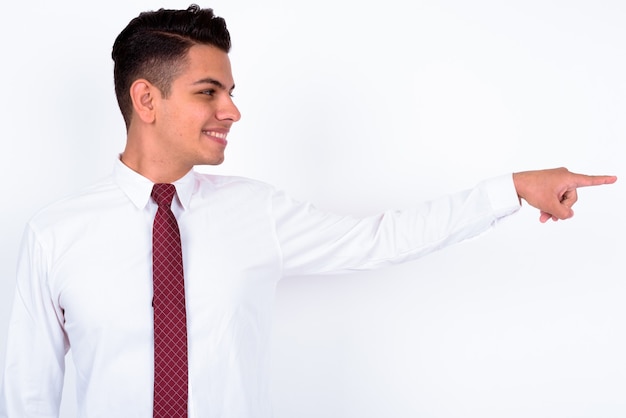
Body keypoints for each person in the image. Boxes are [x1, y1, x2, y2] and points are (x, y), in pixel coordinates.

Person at [0, 5, 617, 418]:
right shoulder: (57, 235)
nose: (232, 111)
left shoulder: (254, 211)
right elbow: (29, 395)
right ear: (146, 99)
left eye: (231, 92)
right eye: (207, 92)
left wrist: (510, 188)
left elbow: (382, 239)